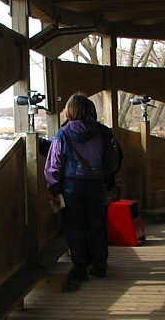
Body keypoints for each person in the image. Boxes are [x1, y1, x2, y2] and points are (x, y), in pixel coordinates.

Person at [44, 92, 113, 280]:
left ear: (69, 111)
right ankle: (100, 265)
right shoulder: (101, 132)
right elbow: (109, 160)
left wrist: (53, 188)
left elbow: (54, 165)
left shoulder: (63, 134)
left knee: (75, 226)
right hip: (96, 183)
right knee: (97, 225)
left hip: (71, 185)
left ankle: (80, 267)